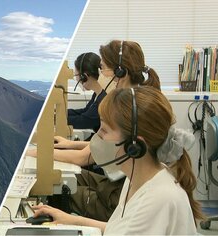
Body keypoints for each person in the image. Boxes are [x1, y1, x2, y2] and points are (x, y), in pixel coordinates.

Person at [33, 86, 203, 235]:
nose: (97, 137)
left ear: (134, 146)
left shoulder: (157, 200)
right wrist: (70, 220)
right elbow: (119, 229)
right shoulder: (137, 179)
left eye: (104, 130)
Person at [28, 40, 162, 221]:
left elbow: (84, 157)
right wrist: (71, 144)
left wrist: (38, 152)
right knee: (68, 179)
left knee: (57, 189)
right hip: (117, 183)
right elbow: (108, 143)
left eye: (103, 68)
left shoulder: (127, 108)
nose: (99, 74)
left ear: (120, 72)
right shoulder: (133, 100)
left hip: (120, 193)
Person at [68, 52, 105, 132]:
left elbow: (85, 121)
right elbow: (85, 111)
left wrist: (58, 119)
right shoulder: (97, 93)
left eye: (76, 75)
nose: (77, 79)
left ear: (84, 76)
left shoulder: (104, 97)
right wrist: (62, 113)